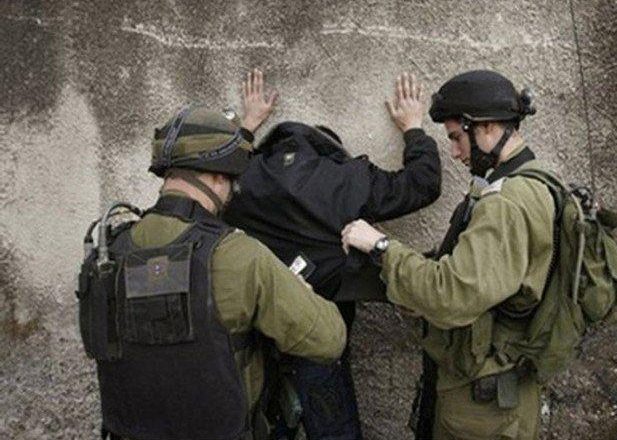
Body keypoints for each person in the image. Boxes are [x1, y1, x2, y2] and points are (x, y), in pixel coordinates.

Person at [78, 69, 347, 440]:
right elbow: (329, 340)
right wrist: (301, 292)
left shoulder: (111, 253)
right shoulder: (238, 256)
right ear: (219, 177)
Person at [224, 73, 442, 440]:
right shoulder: (347, 178)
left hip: (258, 341)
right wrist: (413, 128)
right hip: (319, 336)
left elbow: (210, 177)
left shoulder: (244, 179)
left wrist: (245, 128)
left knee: (265, 422)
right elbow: (422, 184)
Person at [341, 70, 548, 439]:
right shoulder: (528, 180)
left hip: (481, 407)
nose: (454, 152)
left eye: (456, 138)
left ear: (485, 128)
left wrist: (380, 246)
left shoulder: (505, 204)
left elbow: (451, 295)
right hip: (495, 392)